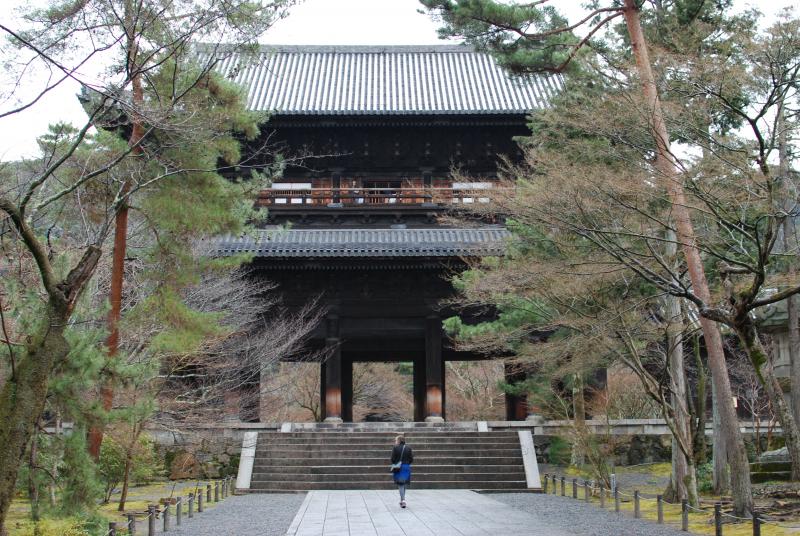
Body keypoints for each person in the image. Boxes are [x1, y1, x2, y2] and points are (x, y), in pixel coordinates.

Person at [390, 434, 413, 508]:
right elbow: (411, 459)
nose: (395, 441)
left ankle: (403, 500)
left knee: (400, 484)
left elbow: (392, 459)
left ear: (399, 440)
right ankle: (402, 500)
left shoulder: (395, 448)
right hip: (406, 467)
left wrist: (396, 463)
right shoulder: (408, 448)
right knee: (404, 484)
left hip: (399, 467)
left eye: (396, 440)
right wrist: (406, 463)